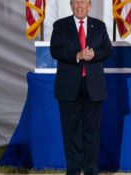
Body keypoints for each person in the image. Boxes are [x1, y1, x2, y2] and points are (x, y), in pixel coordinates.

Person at [50, 0, 112, 174]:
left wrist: (95, 54)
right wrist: (76, 55)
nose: (79, 6)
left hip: (93, 87)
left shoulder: (99, 26)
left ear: (89, 5)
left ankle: (91, 171)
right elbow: (55, 50)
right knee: (71, 133)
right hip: (69, 87)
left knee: (92, 133)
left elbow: (107, 50)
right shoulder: (60, 25)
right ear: (70, 5)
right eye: (76, 2)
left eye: (83, 3)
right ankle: (74, 171)